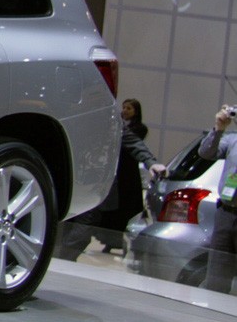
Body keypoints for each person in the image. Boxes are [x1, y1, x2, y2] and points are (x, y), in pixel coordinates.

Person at [55, 120, 167, 261]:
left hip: (92, 187)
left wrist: (151, 162)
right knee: (66, 229)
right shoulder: (75, 114)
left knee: (82, 232)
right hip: (67, 180)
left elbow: (132, 141)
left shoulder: (111, 119)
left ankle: (61, 262)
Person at [100, 98, 152, 251]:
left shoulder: (140, 128)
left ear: (136, 111)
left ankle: (122, 242)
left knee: (126, 208)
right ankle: (110, 241)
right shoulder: (116, 125)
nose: (125, 111)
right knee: (112, 209)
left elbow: (129, 143)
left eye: (129, 108)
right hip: (116, 171)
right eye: (123, 107)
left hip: (128, 174)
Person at [199, 105, 237, 293]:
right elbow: (205, 153)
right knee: (216, 277)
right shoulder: (231, 140)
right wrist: (219, 128)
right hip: (226, 214)